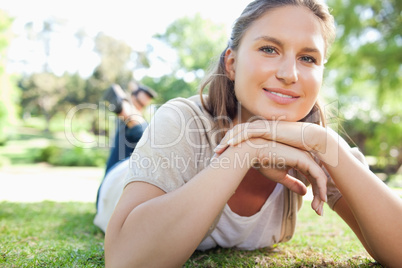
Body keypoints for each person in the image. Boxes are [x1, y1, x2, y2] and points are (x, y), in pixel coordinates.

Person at [96, 0, 402, 267]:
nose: (289, 74)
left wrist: (325, 142)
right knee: (132, 139)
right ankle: (128, 112)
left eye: (308, 58)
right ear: (231, 63)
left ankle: (131, 109)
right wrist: (245, 151)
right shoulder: (181, 119)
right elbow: (127, 260)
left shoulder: (315, 141)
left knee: (141, 132)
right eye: (269, 49)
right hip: (120, 179)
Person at [94, 82, 156, 211]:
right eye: (139, 101)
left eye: (144, 104)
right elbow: (117, 98)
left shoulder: (140, 121)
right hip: (110, 191)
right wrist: (127, 95)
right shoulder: (131, 119)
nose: (141, 106)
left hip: (118, 190)